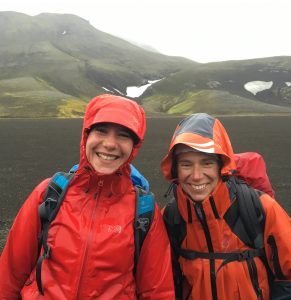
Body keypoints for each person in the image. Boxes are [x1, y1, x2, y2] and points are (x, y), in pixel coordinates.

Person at [0, 94, 175, 299]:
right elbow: (10, 275)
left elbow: (157, 292)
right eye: (101, 131)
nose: (110, 144)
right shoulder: (49, 193)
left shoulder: (144, 210)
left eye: (123, 135)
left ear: (134, 146)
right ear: (86, 136)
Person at [161, 113, 291, 299]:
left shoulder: (262, 208)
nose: (196, 176)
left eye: (207, 163)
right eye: (186, 164)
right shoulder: (170, 218)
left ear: (222, 166)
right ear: (174, 169)